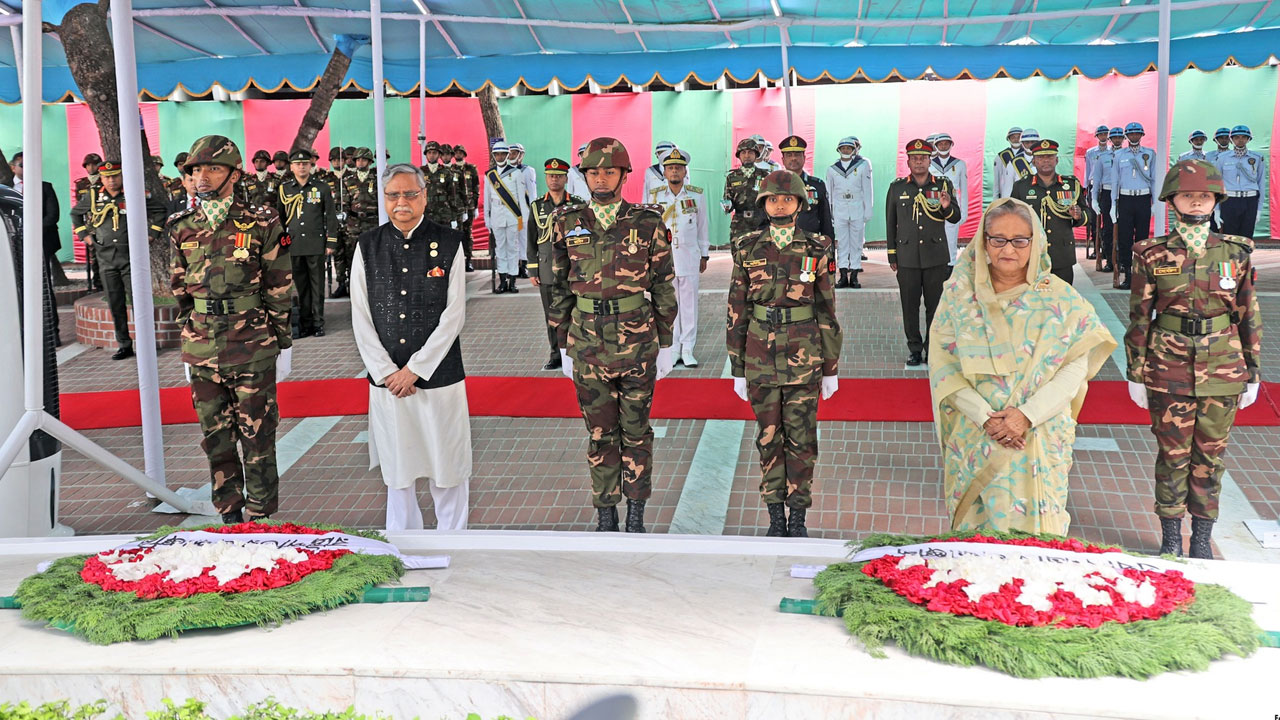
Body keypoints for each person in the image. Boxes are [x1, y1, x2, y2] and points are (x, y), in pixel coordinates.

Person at [931, 198, 1114, 534]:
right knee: (976, 543)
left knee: (1037, 544)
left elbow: (1074, 368)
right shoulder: (958, 296)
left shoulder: (1060, 298)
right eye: (997, 239)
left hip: (1036, 434)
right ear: (983, 242)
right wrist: (987, 419)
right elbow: (944, 367)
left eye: (1020, 240)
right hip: (977, 432)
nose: (1008, 249)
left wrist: (1026, 415)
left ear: (1036, 242)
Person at [1125, 160, 1261, 559]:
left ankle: (1201, 539)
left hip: (1223, 367)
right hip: (1168, 368)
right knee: (1172, 455)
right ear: (1172, 200)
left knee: (1211, 457)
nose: (1196, 202)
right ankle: (1170, 538)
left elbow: (1248, 314)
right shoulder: (1150, 254)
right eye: (1188, 195)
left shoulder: (1235, 253)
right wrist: (1135, 371)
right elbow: (1139, 317)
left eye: (1203, 195)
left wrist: (1253, 371)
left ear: (1215, 199)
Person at [545, 137, 677, 533]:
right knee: (600, 433)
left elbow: (664, 285)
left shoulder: (648, 221)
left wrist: (666, 343)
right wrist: (562, 341)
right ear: (584, 176)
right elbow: (558, 287)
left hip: (637, 340)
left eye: (608, 171)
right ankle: (606, 513)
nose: (600, 179)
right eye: (593, 172)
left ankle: (636, 512)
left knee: (637, 431)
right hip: (587, 341)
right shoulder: (566, 222)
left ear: (623, 175)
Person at [169, 135, 294, 524]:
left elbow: (279, 284)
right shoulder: (181, 226)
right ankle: (230, 516)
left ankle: (259, 517)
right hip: (203, 347)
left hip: (252, 344)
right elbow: (179, 289)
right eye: (196, 169)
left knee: (257, 437)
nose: (201, 176)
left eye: (212, 168)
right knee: (216, 439)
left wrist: (283, 343)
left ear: (234, 174)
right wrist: (189, 338)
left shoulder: (261, 220)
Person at [350, 164, 472, 531]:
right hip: (389, 382)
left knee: (446, 466)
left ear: (424, 197)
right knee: (398, 471)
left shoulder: (449, 242)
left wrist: (417, 368)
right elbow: (360, 314)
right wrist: (387, 371)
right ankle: (405, 544)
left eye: (409, 194)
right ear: (384, 199)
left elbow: (455, 314)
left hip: (439, 377)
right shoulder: (367, 246)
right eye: (393, 195)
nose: (401, 202)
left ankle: (454, 542)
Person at [727, 170, 841, 537]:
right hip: (760, 355)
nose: (779, 204)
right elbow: (736, 309)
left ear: (799, 204)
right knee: (768, 438)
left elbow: (827, 308)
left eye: (787, 199)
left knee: (803, 440)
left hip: (804, 357)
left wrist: (830, 368)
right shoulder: (747, 247)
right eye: (773, 199)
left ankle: (799, 516)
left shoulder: (817, 247)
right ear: (763, 204)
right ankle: (775, 516)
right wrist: (737, 367)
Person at [69, 160, 167, 360]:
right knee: (116, 303)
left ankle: (146, 342)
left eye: (115, 176)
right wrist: (85, 237)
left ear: (122, 176)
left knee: (139, 301)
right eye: (107, 177)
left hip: (131, 257)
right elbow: (76, 214)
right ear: (101, 178)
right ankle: (124, 344)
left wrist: (151, 235)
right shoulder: (95, 195)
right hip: (106, 258)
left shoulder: (134, 192)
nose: (111, 180)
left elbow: (160, 211)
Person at [886, 139, 961, 367]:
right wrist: (892, 254)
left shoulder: (943, 185)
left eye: (923, 158)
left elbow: (956, 217)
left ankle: (932, 349)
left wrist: (947, 207)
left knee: (935, 307)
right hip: (907, 256)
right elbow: (891, 222)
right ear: (908, 161)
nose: (919, 161)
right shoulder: (897, 187)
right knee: (909, 307)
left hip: (935, 256)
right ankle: (914, 349)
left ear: (930, 160)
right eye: (914, 158)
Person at [648, 148, 708, 367]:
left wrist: (704, 254)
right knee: (669, 306)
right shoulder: (654, 196)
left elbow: (703, 226)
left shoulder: (696, 194)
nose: (674, 171)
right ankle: (673, 349)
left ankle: (688, 348)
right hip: (665, 259)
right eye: (670, 167)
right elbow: (650, 229)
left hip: (689, 257)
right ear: (664, 171)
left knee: (689, 305)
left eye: (678, 168)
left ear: (684, 171)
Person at [528, 158, 584, 371]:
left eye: (559, 176)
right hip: (546, 269)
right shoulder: (538, 206)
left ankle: (574, 352)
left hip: (572, 269)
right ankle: (556, 355)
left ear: (565, 178)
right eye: (551, 176)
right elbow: (531, 239)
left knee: (575, 313)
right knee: (551, 315)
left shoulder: (577, 204)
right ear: (546, 178)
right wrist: (533, 269)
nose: (554, 179)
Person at [1010, 139, 1090, 285]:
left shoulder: (1070, 185)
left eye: (1050, 157)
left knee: (1062, 302)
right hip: (1031, 254)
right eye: (1041, 157)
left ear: (1057, 160)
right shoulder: (1021, 186)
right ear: (1033, 161)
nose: (1046, 161)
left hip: (1062, 255)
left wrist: (1078, 216)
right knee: (1033, 301)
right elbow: (1012, 218)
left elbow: (1089, 214)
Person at [277, 148, 338, 337]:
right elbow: (279, 219)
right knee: (301, 287)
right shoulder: (284, 189)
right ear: (292, 167)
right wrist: (282, 244)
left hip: (316, 243)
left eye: (305, 163)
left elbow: (331, 217)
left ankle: (319, 323)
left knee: (317, 285)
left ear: (311, 165)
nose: (301, 166)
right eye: (297, 164)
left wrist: (331, 242)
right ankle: (305, 324)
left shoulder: (321, 188)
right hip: (294, 245)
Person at [1108, 122, 1158, 289]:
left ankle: (1141, 275)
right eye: (1131, 134)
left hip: (1143, 198)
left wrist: (1155, 202)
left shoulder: (1150, 154)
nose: (1134, 136)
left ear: (1142, 135)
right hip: (1125, 199)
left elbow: (1155, 179)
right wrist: (1114, 204)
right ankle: (1128, 275)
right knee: (1125, 238)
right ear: (1126, 136)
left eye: (1137, 134)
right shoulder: (1119, 155)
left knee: (1143, 238)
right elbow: (1115, 181)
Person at [825, 136, 873, 289]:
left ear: (853, 150)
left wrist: (868, 209)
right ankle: (843, 275)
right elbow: (829, 193)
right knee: (842, 243)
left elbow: (867, 189)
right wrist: (830, 212)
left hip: (857, 206)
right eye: (843, 148)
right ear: (839, 150)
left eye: (849, 148)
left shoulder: (863, 166)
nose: (846, 150)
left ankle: (854, 276)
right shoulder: (832, 169)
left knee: (857, 243)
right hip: (840, 208)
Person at [483, 141, 529, 294]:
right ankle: (502, 281)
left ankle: (513, 281)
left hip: (512, 216)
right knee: (500, 248)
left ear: (508, 155)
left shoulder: (516, 173)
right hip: (496, 215)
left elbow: (521, 198)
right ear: (494, 155)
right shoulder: (489, 175)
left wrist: (524, 217)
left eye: (503, 154)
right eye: (497, 154)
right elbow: (486, 199)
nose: (500, 156)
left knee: (513, 247)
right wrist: (487, 219)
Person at [778, 136, 834, 253]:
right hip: (781, 246)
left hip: (810, 246)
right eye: (789, 155)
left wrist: (830, 249)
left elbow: (825, 219)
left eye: (797, 154)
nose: (793, 158)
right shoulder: (773, 185)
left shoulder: (817, 185)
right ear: (782, 159)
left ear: (804, 158)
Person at [337, 147, 379, 299]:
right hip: (354, 223)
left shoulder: (377, 177)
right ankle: (353, 287)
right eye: (358, 160)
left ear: (369, 161)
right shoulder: (348, 180)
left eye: (364, 159)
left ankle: (374, 286)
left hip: (373, 222)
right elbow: (344, 204)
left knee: (373, 255)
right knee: (352, 256)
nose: (361, 162)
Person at [1214, 125, 1267, 239]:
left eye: (1244, 137)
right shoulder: (1222, 158)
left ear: (1248, 139)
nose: (1240, 140)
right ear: (1231, 139)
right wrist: (1217, 209)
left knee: (1247, 236)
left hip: (1250, 201)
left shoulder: (1257, 158)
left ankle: (1245, 257)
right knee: (1230, 236)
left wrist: (1259, 209)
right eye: (1237, 137)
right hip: (1229, 201)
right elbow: (1217, 185)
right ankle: (1231, 257)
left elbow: (1261, 183)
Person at [929, 132, 968, 267]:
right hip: (933, 205)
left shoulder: (960, 164)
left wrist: (964, 212)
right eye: (940, 143)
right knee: (933, 237)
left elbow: (963, 190)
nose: (943, 146)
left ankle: (951, 265)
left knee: (951, 238)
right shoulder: (930, 164)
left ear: (951, 145)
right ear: (936, 146)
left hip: (952, 204)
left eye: (946, 143)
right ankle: (934, 265)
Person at [1089, 127, 1124, 272]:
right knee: (1108, 229)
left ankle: (1122, 261)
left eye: (1120, 137)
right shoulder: (1102, 157)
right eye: (1114, 138)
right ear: (1110, 140)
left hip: (1123, 194)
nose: (1117, 140)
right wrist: (1094, 199)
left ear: (1123, 139)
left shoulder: (1126, 155)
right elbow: (1096, 179)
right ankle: (1110, 260)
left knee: (1124, 230)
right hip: (1107, 193)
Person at [723, 138, 767, 250]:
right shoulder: (732, 177)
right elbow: (727, 200)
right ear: (739, 155)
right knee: (739, 259)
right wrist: (726, 206)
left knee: (761, 259)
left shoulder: (765, 176)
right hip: (739, 225)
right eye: (743, 152)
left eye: (750, 152)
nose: (747, 155)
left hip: (761, 223)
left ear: (756, 155)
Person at [73, 152, 104, 291]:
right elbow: (79, 206)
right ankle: (98, 284)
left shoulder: (105, 180)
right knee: (94, 257)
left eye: (94, 164)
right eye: (88, 165)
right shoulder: (82, 184)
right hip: (90, 225)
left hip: (104, 223)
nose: (91, 167)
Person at [509, 143, 536, 278]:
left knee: (524, 238)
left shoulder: (527, 170)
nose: (511, 156)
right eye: (510, 153)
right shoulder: (504, 171)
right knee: (511, 239)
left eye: (514, 153)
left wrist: (533, 211)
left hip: (523, 211)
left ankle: (524, 266)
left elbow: (532, 193)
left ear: (521, 155)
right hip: (509, 211)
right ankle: (513, 267)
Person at [1082, 125, 1110, 260]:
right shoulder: (1091, 152)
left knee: (1108, 219)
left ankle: (1107, 247)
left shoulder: (1113, 152)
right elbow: (1087, 171)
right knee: (1094, 220)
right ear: (1097, 136)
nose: (1103, 136)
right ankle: (1096, 248)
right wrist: (1085, 188)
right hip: (1093, 187)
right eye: (1101, 134)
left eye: (1105, 134)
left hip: (1107, 187)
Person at [453, 144, 479, 271]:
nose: (458, 155)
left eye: (460, 152)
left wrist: (476, 206)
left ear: (464, 154)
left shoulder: (471, 168)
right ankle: (458, 261)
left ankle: (468, 260)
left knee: (467, 234)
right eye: (456, 153)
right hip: (456, 208)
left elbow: (476, 187)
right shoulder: (451, 169)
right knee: (457, 234)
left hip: (469, 207)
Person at [999, 128, 1039, 195]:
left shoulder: (1045, 160)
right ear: (1022, 143)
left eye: (1033, 142)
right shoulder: (1014, 162)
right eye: (1027, 142)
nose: (1030, 145)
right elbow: (1007, 188)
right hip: (1020, 201)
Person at [992, 127, 1022, 199]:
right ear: (1008, 139)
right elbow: (997, 180)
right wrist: (995, 199)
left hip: (1023, 194)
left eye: (1018, 137)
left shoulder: (1028, 155)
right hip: (1007, 194)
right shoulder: (1001, 156)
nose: (1016, 139)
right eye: (1013, 137)